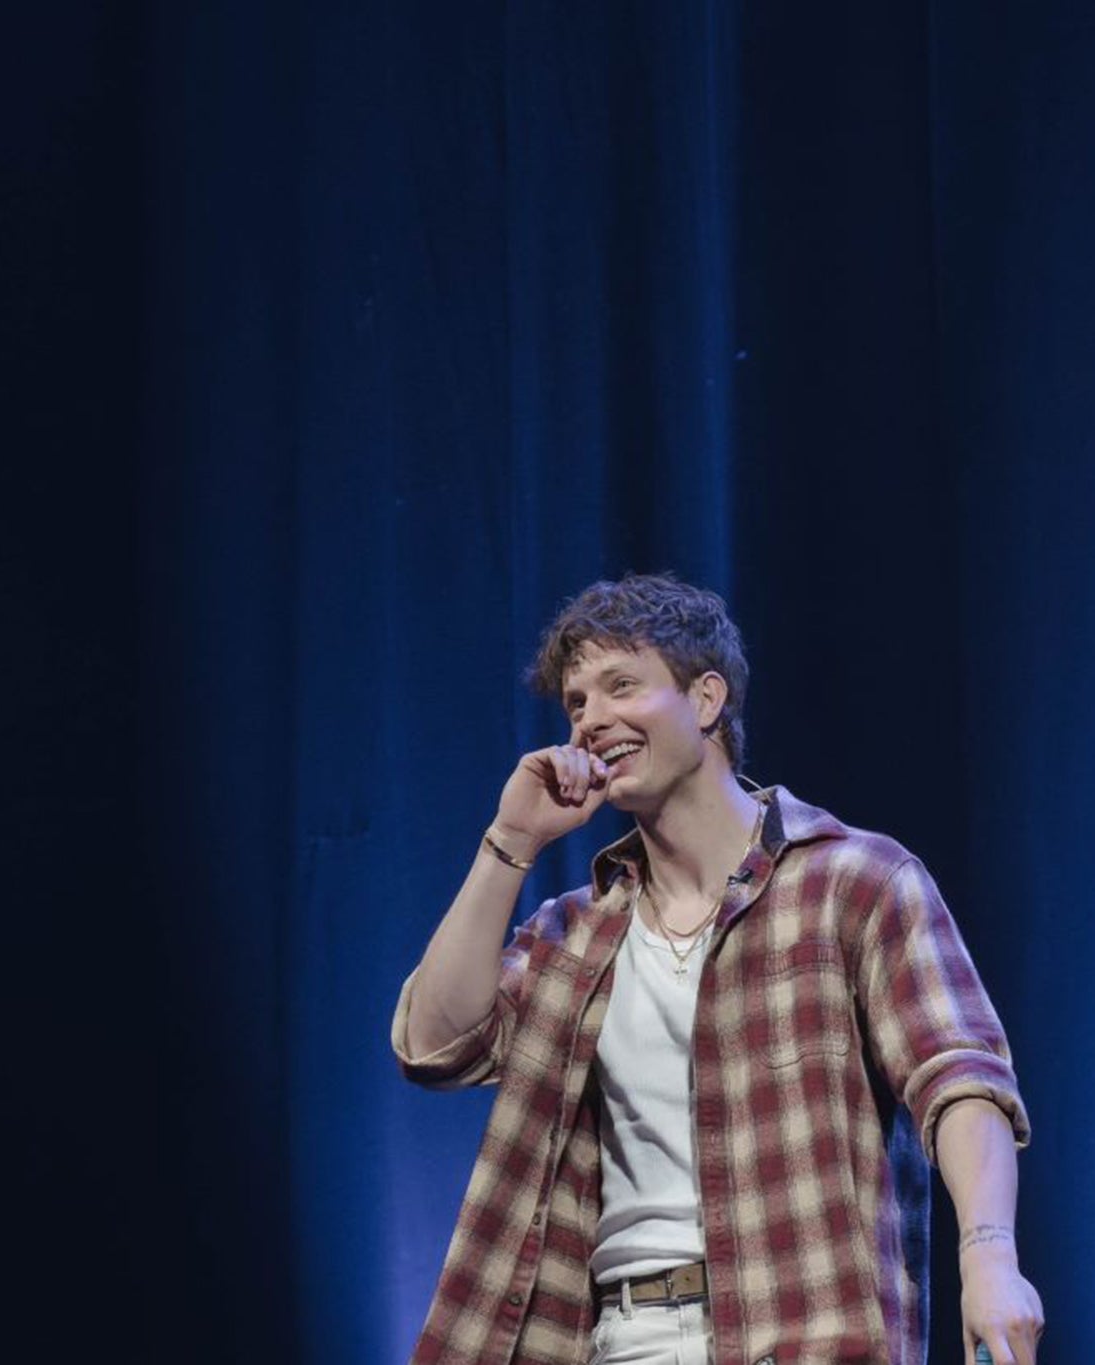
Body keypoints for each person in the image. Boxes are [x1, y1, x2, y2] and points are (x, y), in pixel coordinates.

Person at [393, 573, 1043, 1365]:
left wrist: (989, 1254)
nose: (591, 720)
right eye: (576, 703)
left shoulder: (854, 882)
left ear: (706, 699)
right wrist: (511, 841)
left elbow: (960, 1074)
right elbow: (435, 1045)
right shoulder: (574, 933)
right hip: (613, 1340)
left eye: (621, 686)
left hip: (797, 1335)